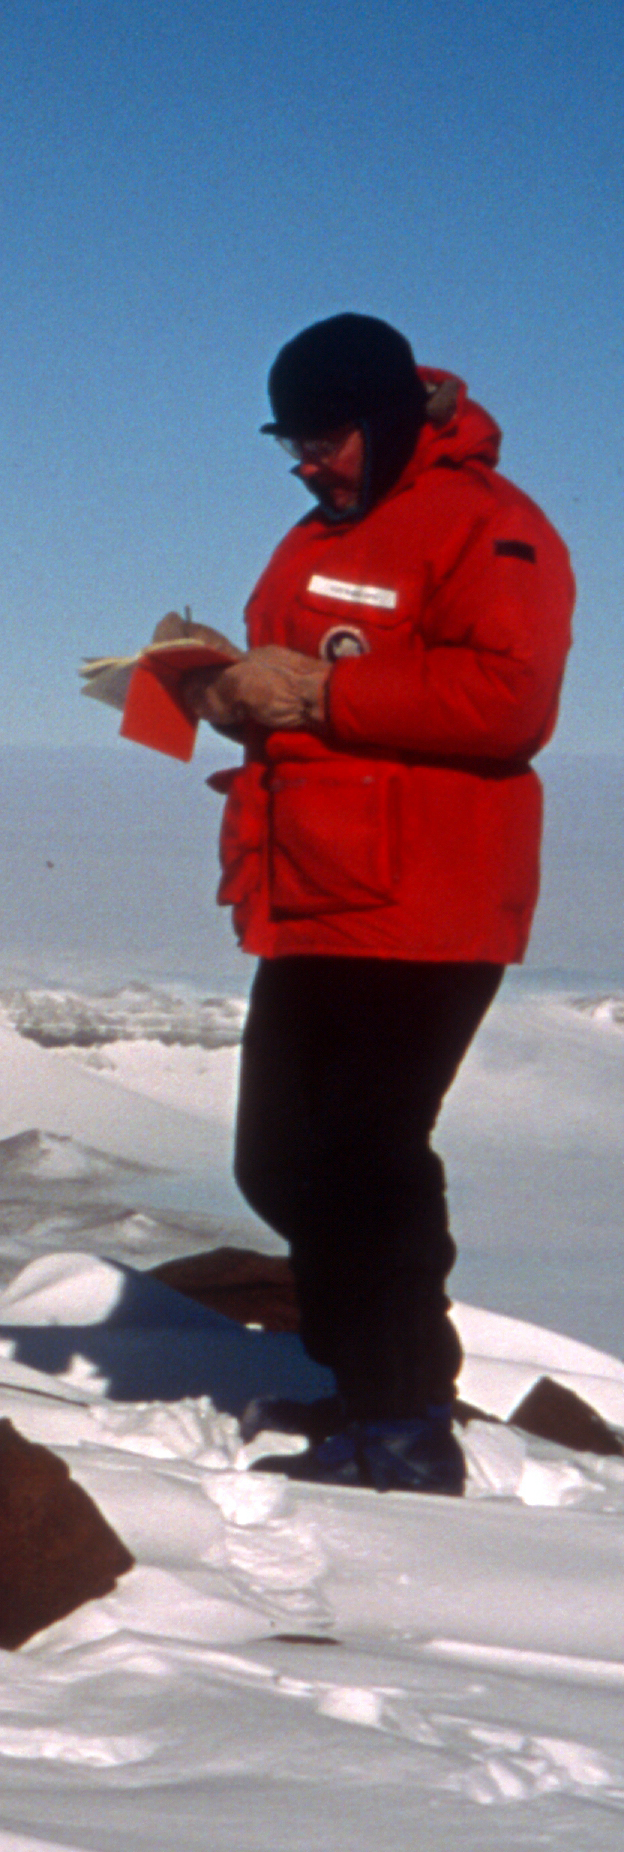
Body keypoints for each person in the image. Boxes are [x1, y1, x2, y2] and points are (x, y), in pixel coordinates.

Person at [181, 316, 573, 1494]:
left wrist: (315, 694)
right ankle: (371, 1385)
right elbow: (301, 673)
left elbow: (507, 702)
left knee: (362, 1156)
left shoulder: (495, 530)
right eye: (288, 439)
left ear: (389, 415)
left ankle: (402, 1422)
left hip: (425, 897)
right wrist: (220, 682)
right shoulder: (324, 528)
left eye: (324, 434)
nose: (305, 459)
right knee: (278, 1160)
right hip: (315, 886)